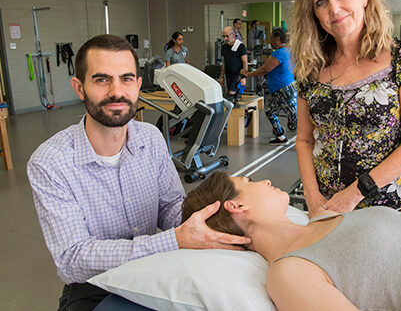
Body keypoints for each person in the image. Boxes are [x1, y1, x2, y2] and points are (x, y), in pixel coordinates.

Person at [27, 34, 249, 311]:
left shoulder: (151, 138)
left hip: (155, 269)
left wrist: (209, 226)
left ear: (139, 84)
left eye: (126, 78)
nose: (116, 91)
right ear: (79, 87)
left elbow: (170, 207)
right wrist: (176, 239)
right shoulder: (50, 163)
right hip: (95, 286)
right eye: (101, 79)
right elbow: (73, 259)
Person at [182, 171, 401, 311]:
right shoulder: (289, 273)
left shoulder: (323, 218)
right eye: (249, 181)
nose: (265, 180)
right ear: (236, 206)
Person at [290, 0, 401, 218]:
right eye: (321, 2)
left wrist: (354, 193)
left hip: (387, 211)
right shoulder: (311, 69)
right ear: (313, 13)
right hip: (327, 210)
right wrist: (311, 196)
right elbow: (304, 139)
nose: (334, 9)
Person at [241, 28, 297, 145]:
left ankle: (306, 137)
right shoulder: (288, 51)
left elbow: (265, 69)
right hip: (284, 88)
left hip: (284, 89)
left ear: (277, 39)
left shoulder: (279, 53)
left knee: (294, 118)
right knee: (270, 111)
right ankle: (281, 136)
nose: (270, 41)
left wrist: (247, 74)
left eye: (271, 38)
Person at [219, 26, 248, 96]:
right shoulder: (224, 47)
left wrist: (243, 77)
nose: (225, 39)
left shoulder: (240, 46)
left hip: (237, 75)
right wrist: (221, 76)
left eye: (227, 36)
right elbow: (224, 62)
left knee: (231, 95)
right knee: (230, 95)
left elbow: (245, 62)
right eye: (223, 36)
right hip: (228, 75)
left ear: (233, 35)